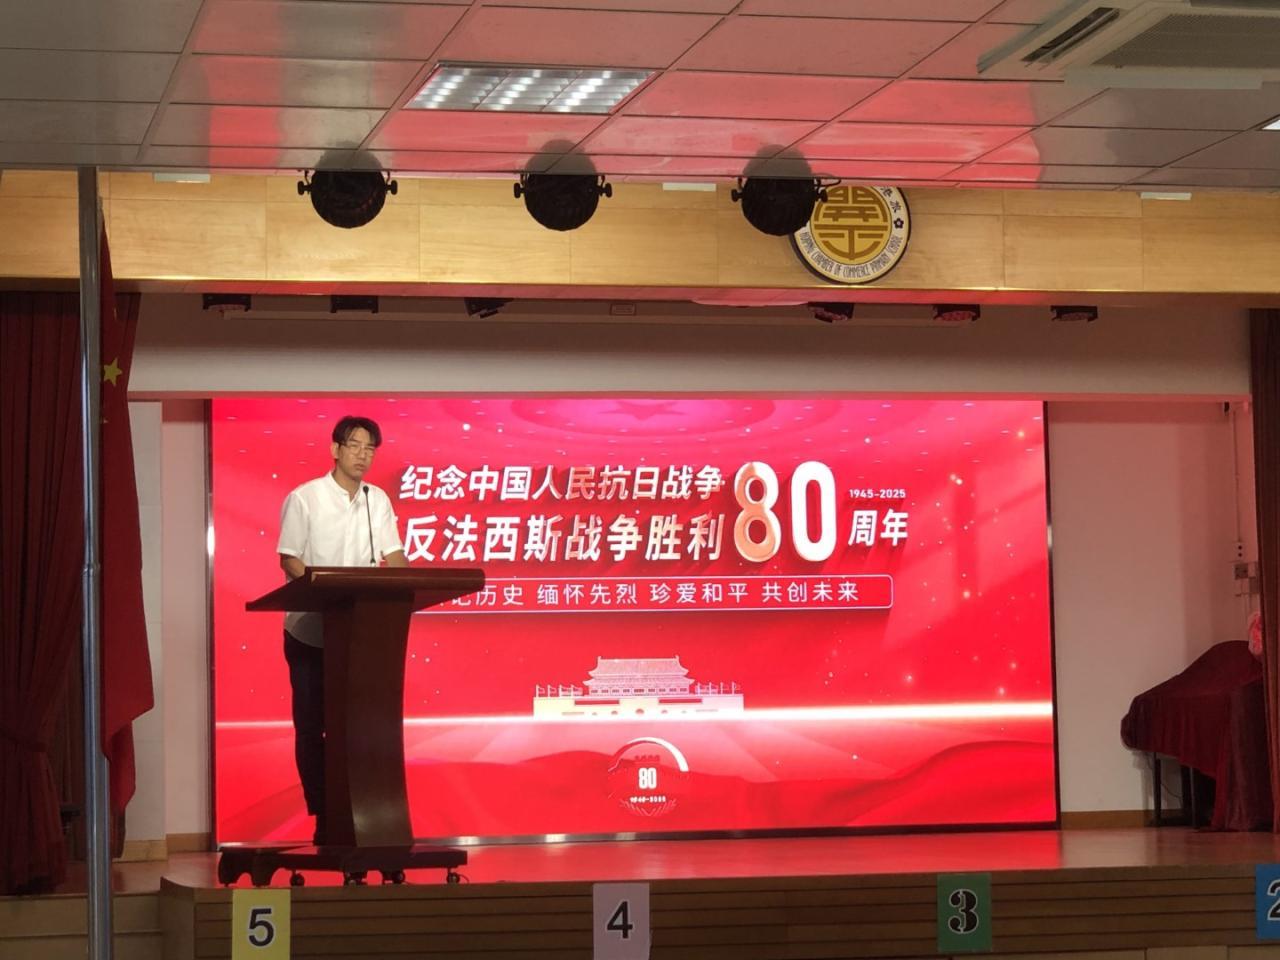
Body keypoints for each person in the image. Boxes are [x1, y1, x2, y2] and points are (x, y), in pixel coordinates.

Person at [276, 415, 407, 844]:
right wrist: (322, 591)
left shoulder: (377, 500)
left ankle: (360, 813)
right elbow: (289, 558)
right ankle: (323, 813)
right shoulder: (305, 498)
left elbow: (394, 554)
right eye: (354, 446)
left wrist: (407, 584)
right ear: (335, 449)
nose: (362, 456)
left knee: (356, 727)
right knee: (312, 726)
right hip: (310, 632)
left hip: (359, 634)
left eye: (370, 449)